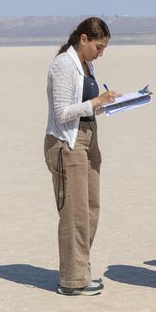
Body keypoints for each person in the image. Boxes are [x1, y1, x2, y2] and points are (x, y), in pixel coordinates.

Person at [44, 17, 120, 296]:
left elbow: (85, 108)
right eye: (98, 47)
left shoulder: (86, 66)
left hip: (88, 137)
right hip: (67, 142)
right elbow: (63, 112)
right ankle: (72, 281)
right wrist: (96, 102)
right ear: (83, 39)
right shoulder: (64, 65)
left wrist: (108, 104)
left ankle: (81, 271)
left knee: (90, 208)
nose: (100, 53)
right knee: (74, 213)